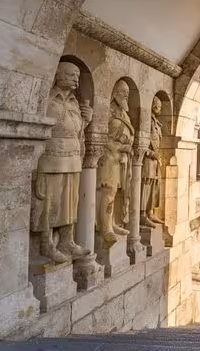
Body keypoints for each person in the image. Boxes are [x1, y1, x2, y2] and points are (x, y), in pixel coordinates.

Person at [32, 62, 92, 263]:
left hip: (73, 158)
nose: (76, 79)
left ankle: (67, 241)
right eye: (71, 74)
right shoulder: (47, 98)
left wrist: (86, 121)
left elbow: (76, 130)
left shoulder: (75, 102)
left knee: (70, 202)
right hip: (52, 158)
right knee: (50, 202)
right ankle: (47, 244)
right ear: (58, 75)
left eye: (77, 75)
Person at [96, 80, 134, 244]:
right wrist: (118, 148)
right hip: (109, 156)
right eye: (122, 91)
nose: (126, 95)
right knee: (108, 191)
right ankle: (104, 227)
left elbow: (130, 134)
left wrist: (127, 146)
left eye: (127, 92)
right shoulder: (107, 111)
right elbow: (99, 136)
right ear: (114, 92)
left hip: (121, 158)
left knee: (117, 192)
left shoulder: (124, 113)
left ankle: (112, 222)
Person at [141, 96, 165, 228]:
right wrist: (151, 153)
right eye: (157, 105)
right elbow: (142, 142)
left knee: (154, 186)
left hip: (155, 161)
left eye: (160, 106)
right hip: (147, 159)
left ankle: (150, 213)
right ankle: (142, 215)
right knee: (146, 186)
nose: (159, 108)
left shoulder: (156, 122)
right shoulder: (147, 121)